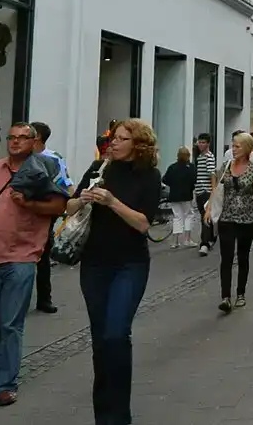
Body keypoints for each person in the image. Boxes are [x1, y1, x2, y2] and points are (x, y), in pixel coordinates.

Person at [67, 118, 160, 425]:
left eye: (121, 139)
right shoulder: (98, 169)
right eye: (113, 138)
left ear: (138, 145)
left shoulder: (148, 176)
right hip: (94, 264)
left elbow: (143, 223)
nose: (114, 143)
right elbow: (68, 207)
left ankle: (120, 416)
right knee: (100, 340)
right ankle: (103, 415)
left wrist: (111, 201)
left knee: (116, 334)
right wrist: (82, 199)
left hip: (129, 264)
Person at [0, 122, 68, 407]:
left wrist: (29, 205)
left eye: (22, 138)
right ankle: (4, 362)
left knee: (11, 322)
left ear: (34, 141)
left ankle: (6, 383)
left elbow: (60, 206)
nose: (15, 142)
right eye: (11, 137)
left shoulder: (43, 169)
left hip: (22, 254)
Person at [206, 132, 253, 312]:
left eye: (237, 146)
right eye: (232, 146)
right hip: (226, 217)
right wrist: (209, 208)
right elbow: (216, 188)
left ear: (247, 148)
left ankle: (241, 293)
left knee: (243, 256)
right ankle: (226, 297)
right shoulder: (226, 166)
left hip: (248, 218)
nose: (233, 149)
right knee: (226, 257)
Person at [31, 122, 70, 315]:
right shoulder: (22, 156)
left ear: (37, 136)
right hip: (23, 212)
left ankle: (44, 298)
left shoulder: (54, 159)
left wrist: (65, 204)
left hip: (45, 212)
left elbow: (64, 181)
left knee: (42, 257)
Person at [161, 147, 197, 249]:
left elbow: (165, 179)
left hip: (174, 196)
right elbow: (194, 181)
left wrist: (173, 185)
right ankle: (187, 239)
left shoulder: (172, 167)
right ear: (188, 156)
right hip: (186, 196)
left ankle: (175, 241)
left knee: (177, 217)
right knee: (189, 215)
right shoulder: (191, 167)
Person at [193, 133, 216, 256]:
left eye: (203, 142)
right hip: (199, 191)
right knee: (206, 217)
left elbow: (212, 174)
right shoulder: (199, 156)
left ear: (208, 144)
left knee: (205, 218)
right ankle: (211, 238)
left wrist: (213, 191)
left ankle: (205, 244)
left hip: (206, 191)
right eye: (199, 142)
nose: (200, 144)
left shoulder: (208, 156)